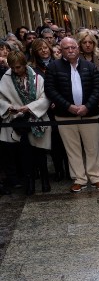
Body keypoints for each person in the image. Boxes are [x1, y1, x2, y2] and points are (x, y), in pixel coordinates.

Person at [43, 37, 99, 193]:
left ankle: (96, 177)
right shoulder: (53, 67)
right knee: (72, 149)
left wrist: (87, 106)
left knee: (92, 148)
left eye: (73, 47)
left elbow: (98, 88)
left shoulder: (90, 66)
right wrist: (68, 107)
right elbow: (51, 90)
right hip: (65, 116)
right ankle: (79, 179)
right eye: (66, 48)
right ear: (61, 51)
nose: (70, 50)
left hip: (89, 114)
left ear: (78, 48)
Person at [0, 50, 52, 195]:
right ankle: (29, 183)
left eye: (18, 67)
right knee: (25, 154)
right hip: (18, 121)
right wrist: (9, 107)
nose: (16, 70)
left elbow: (45, 97)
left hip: (37, 117)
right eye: (13, 67)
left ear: (24, 64)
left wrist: (29, 107)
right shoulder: (6, 78)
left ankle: (45, 181)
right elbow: (1, 99)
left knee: (40, 152)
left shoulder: (37, 77)